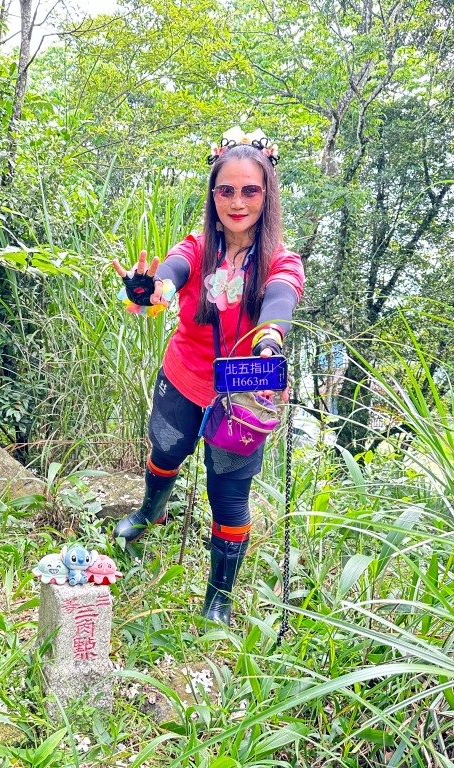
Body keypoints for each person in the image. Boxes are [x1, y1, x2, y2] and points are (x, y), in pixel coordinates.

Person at [111, 128, 305, 626]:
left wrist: (270, 339)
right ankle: (150, 511)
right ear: (213, 194)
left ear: (267, 193)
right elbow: (173, 271)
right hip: (184, 378)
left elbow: (281, 298)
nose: (237, 202)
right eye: (226, 190)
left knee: (229, 496)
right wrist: (151, 289)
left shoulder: (281, 260)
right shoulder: (198, 246)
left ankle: (219, 596)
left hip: (244, 396)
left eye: (250, 190)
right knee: (165, 451)